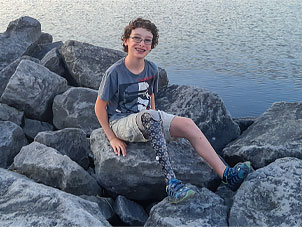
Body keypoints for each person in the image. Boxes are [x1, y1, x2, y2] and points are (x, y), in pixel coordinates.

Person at [95, 18, 251, 203]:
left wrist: (158, 127)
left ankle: (226, 174)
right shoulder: (114, 72)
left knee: (188, 124)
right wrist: (112, 137)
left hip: (146, 119)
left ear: (152, 45)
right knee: (150, 116)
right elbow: (99, 107)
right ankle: (171, 184)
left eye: (147, 40)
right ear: (126, 41)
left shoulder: (152, 69)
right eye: (136, 38)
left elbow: (151, 99)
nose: (141, 44)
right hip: (121, 122)